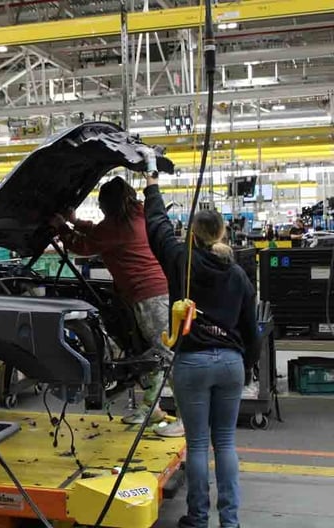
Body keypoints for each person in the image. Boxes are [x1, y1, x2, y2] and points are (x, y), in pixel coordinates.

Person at [143, 173, 259, 528]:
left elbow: (157, 226)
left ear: (192, 233)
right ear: (223, 234)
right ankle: (230, 521)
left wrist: (152, 186)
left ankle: (196, 519)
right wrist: (247, 363)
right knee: (225, 443)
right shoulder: (238, 274)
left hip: (191, 364)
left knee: (196, 445)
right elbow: (250, 326)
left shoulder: (181, 260)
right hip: (230, 364)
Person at [51, 176, 184, 437]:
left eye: (101, 204)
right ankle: (151, 408)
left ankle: (187, 418)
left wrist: (62, 228)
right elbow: (99, 231)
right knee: (149, 354)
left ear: (108, 204)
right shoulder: (136, 215)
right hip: (150, 294)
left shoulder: (118, 227)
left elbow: (83, 245)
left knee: (167, 356)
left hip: (150, 296)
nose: (100, 209)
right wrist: (75, 222)